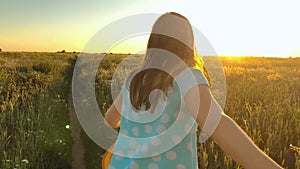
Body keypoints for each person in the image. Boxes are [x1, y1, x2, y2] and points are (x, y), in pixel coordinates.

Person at [104, 12, 283, 169]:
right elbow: (218, 124)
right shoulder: (186, 77)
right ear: (188, 44)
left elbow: (110, 120)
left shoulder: (133, 78)